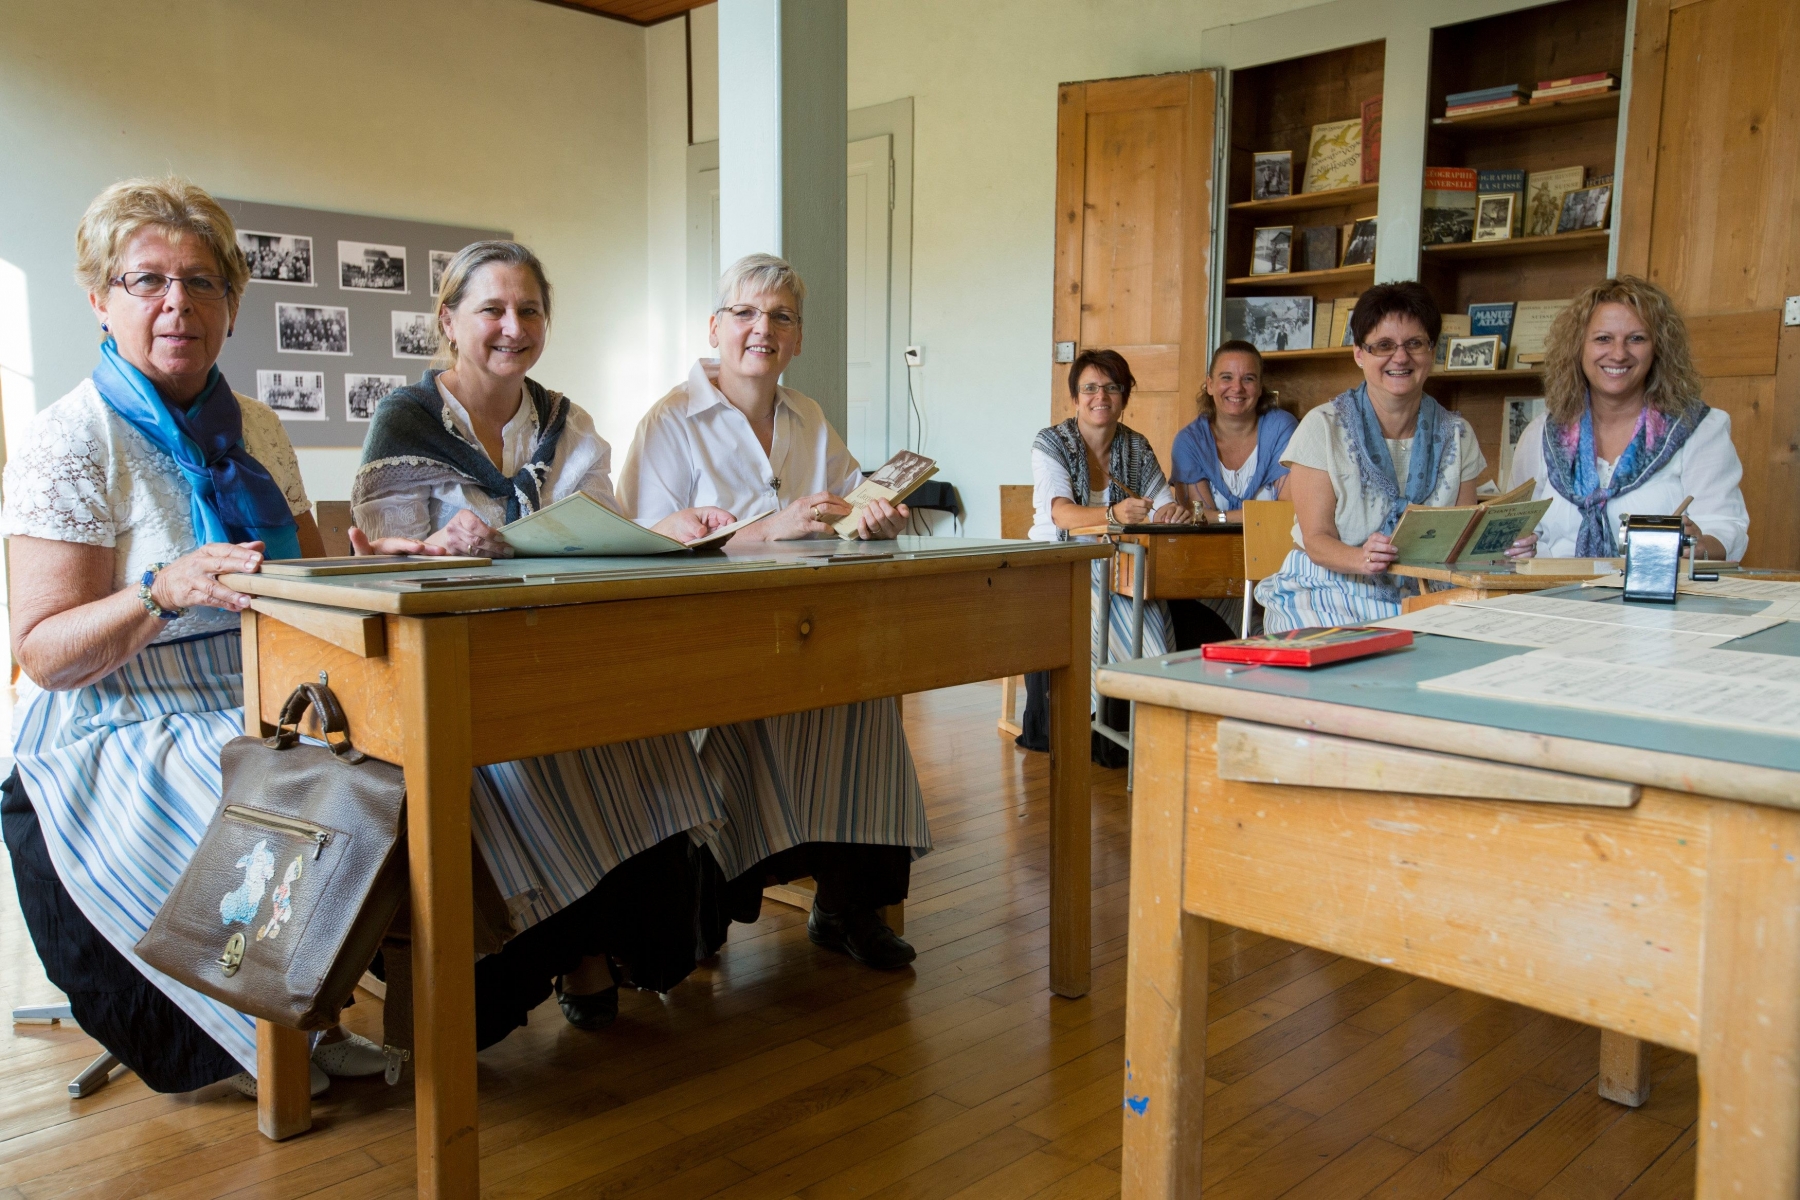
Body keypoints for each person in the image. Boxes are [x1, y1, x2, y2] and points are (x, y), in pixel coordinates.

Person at [0, 177, 381, 1097]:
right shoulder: (70, 438)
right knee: (256, 790)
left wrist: (373, 563)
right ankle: (251, 1038)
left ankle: (311, 1017)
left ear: (232, 304)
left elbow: (310, 592)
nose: (178, 304)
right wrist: (160, 590)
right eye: (147, 282)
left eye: (203, 283)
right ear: (100, 297)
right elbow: (46, 653)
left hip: (259, 690)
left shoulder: (256, 426)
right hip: (116, 716)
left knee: (394, 777)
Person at [349, 241, 736, 1041]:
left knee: (642, 746)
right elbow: (375, 563)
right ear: (450, 321)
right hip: (448, 669)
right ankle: (531, 966)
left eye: (528, 310)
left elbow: (595, 538)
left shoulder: (567, 424)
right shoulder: (405, 421)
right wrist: (430, 549)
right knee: (519, 771)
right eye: (491, 308)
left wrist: (650, 532)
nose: (511, 326)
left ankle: (599, 946)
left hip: (555, 655)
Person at [618, 253, 925, 971]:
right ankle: (708, 912)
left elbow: (849, 505)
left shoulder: (808, 417)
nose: (764, 328)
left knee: (867, 708)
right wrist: (766, 529)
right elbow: (639, 543)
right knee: (744, 727)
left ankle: (848, 905)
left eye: (781, 317)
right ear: (716, 326)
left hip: (809, 631)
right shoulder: (670, 421)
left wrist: (874, 518)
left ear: (798, 339)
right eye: (748, 314)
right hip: (709, 641)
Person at [1253, 282, 1528, 630]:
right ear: (1359, 354)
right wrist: (1360, 557)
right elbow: (1318, 541)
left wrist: (1502, 549)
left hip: (1426, 597)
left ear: (1432, 351)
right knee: (1343, 662)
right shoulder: (1322, 426)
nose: (1400, 357)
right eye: (1383, 345)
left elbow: (1462, 543)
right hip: (1330, 589)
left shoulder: (1458, 434)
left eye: (1414, 343)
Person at [1019, 349, 1187, 755]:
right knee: (1113, 605)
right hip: (1058, 558)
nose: (1101, 397)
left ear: (1125, 396)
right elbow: (1060, 514)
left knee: (1146, 601)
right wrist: (1112, 513)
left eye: (1112, 387)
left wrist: (1171, 511)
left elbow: (1161, 502)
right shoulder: (1052, 441)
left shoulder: (1136, 446)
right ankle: (1110, 726)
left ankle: (1141, 722)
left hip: (1115, 560)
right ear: (1075, 397)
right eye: (1090, 388)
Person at [1508, 276, 1747, 561]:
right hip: (1548, 599)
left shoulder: (1700, 430)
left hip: (1654, 602)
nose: (1619, 354)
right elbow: (1512, 530)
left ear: (1658, 348)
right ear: (1578, 347)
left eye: (1636, 338)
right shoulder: (1540, 435)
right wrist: (1518, 548)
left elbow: (1726, 529)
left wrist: (1697, 545)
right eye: (1603, 339)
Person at [1170, 341, 1297, 523]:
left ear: (1260, 387)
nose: (1237, 388)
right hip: (1209, 549)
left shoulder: (1281, 428)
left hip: (1275, 548)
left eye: (1248, 379)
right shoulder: (1189, 442)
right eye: (1227, 377)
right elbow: (1195, 518)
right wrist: (1258, 516)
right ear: (1210, 385)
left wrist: (1219, 517)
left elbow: (1289, 511)